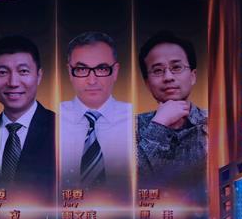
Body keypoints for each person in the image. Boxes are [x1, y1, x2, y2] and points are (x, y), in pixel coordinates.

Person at [0, 35, 56, 202]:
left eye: (23, 71)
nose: (13, 82)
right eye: (2, 72)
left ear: (39, 76)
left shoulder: (65, 131)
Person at [136, 31, 207, 197]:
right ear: (147, 83)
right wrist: (159, 124)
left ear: (193, 76)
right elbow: (123, 185)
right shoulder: (128, 128)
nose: (168, 77)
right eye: (157, 70)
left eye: (176, 67)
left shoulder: (217, 123)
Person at [59, 31, 132, 192]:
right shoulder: (50, 120)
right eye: (81, 69)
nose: (92, 81)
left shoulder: (137, 120)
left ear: (116, 71)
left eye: (102, 68)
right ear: (70, 72)